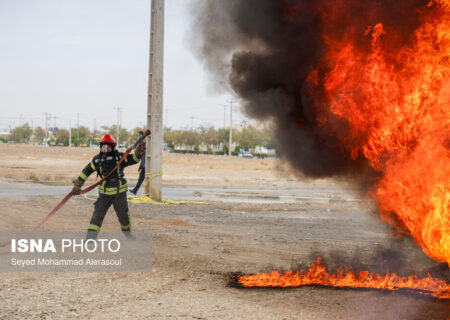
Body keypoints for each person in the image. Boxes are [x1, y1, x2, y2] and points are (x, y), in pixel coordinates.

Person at [71, 134, 145, 239]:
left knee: (123, 216)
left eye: (108, 146)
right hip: (104, 195)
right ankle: (90, 239)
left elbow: (132, 159)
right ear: (101, 147)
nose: (105, 149)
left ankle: (127, 233)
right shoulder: (97, 160)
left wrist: (138, 153)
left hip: (119, 194)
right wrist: (78, 184)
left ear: (113, 147)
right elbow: (86, 171)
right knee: (97, 216)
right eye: (103, 146)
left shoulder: (119, 157)